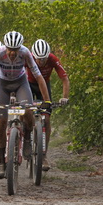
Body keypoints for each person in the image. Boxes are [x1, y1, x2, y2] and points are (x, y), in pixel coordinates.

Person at [0, 31, 50, 178]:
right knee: (1, 122)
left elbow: (38, 75)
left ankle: (27, 139)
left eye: (15, 50)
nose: (12, 53)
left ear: (20, 48)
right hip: (2, 84)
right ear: (5, 47)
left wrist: (47, 100)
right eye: (10, 49)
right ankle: (1, 162)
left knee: (28, 112)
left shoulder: (25, 53)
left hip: (21, 83)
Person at [29, 38, 71, 172]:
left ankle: (43, 155)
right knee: (27, 114)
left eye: (44, 59)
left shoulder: (53, 59)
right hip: (28, 85)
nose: (41, 62)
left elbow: (64, 78)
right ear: (34, 56)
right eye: (39, 59)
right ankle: (24, 139)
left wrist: (65, 97)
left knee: (46, 120)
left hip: (44, 88)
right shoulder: (27, 58)